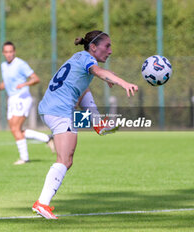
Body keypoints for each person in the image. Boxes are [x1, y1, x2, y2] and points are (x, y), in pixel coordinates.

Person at [32, 30, 138, 219]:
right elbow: (98, 71)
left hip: (52, 108)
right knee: (65, 159)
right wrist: (123, 82)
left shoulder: (79, 58)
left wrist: (108, 76)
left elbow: (81, 86)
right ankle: (42, 203)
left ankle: (97, 123)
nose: (111, 51)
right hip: (59, 111)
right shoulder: (87, 60)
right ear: (94, 47)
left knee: (84, 88)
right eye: (107, 46)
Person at [0, 41, 55, 165]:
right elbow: (8, 82)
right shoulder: (3, 66)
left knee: (15, 128)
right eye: (6, 52)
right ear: (3, 53)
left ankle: (24, 158)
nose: (9, 54)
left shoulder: (20, 64)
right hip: (12, 99)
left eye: (11, 51)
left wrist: (24, 84)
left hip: (22, 97)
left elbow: (35, 79)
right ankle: (47, 138)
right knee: (15, 130)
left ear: (14, 52)